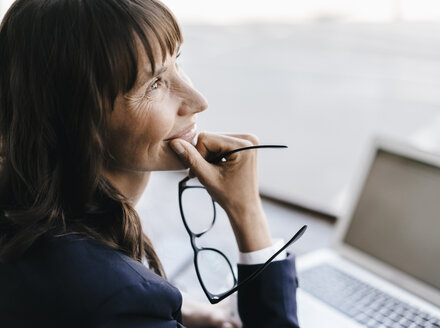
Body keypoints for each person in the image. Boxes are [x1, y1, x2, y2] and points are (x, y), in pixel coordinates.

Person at [0, 0, 299, 327]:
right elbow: (102, 297)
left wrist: (179, 310)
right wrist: (248, 212)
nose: (198, 101)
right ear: (77, 120)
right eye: (154, 83)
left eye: (177, 61)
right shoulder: (119, 300)